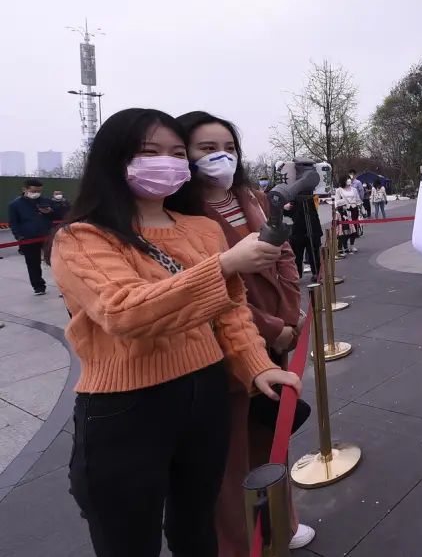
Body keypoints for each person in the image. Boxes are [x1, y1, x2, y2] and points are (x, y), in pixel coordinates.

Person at [49, 108, 301, 557]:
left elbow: (230, 311)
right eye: (150, 152)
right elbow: (125, 313)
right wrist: (224, 265)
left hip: (205, 393)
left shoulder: (202, 229)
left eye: (176, 153)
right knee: (128, 538)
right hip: (126, 408)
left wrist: (256, 364)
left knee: (197, 525)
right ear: (114, 159)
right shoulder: (83, 238)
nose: (166, 162)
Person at [178, 111, 316, 554]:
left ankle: (283, 522)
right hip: (229, 347)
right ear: (185, 155)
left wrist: (290, 315)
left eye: (229, 148)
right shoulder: (182, 215)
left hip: (279, 337)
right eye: (207, 149)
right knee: (230, 458)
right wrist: (272, 328)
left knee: (271, 438)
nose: (221, 157)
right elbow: (213, 290)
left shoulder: (252, 197)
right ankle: (240, 545)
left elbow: (284, 256)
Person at [8, 178, 66, 295]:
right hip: (28, 239)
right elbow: (13, 223)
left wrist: (49, 212)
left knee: (56, 261)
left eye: (39, 191)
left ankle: (64, 287)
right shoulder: (15, 205)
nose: (36, 193)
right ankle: (38, 287)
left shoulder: (46, 201)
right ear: (25, 189)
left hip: (47, 236)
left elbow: (58, 216)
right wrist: (19, 236)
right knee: (33, 263)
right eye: (34, 191)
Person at [285, 193, 322, 277]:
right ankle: (296, 275)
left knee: (314, 253)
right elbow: (288, 213)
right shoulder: (291, 195)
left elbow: (314, 210)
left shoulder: (309, 195)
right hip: (297, 229)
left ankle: (316, 273)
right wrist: (285, 207)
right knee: (296, 255)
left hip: (311, 228)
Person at [334, 175, 362, 254]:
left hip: (354, 210)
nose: (349, 180)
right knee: (345, 229)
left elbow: (358, 199)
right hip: (344, 211)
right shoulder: (339, 190)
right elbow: (337, 201)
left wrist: (360, 207)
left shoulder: (354, 189)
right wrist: (344, 203)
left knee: (354, 228)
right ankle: (344, 246)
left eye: (349, 179)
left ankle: (352, 245)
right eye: (347, 179)